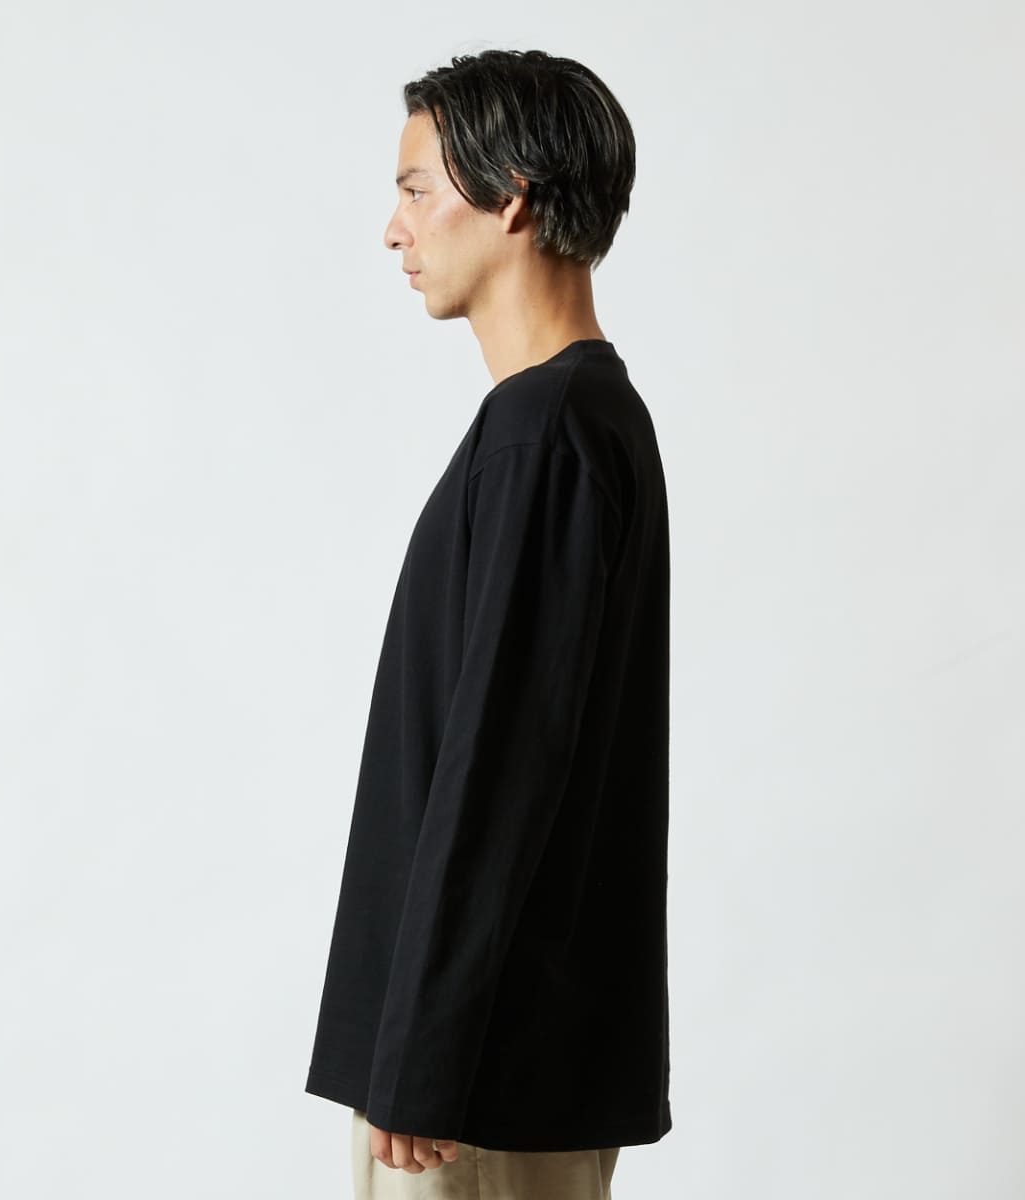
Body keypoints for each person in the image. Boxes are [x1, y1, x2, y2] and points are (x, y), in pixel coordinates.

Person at [304, 47, 672, 1199]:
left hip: (474, 1089)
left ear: (511, 195)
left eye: (418, 189)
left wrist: (423, 1053)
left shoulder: (546, 434)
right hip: (496, 1067)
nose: (395, 229)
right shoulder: (570, 422)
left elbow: (500, 765)